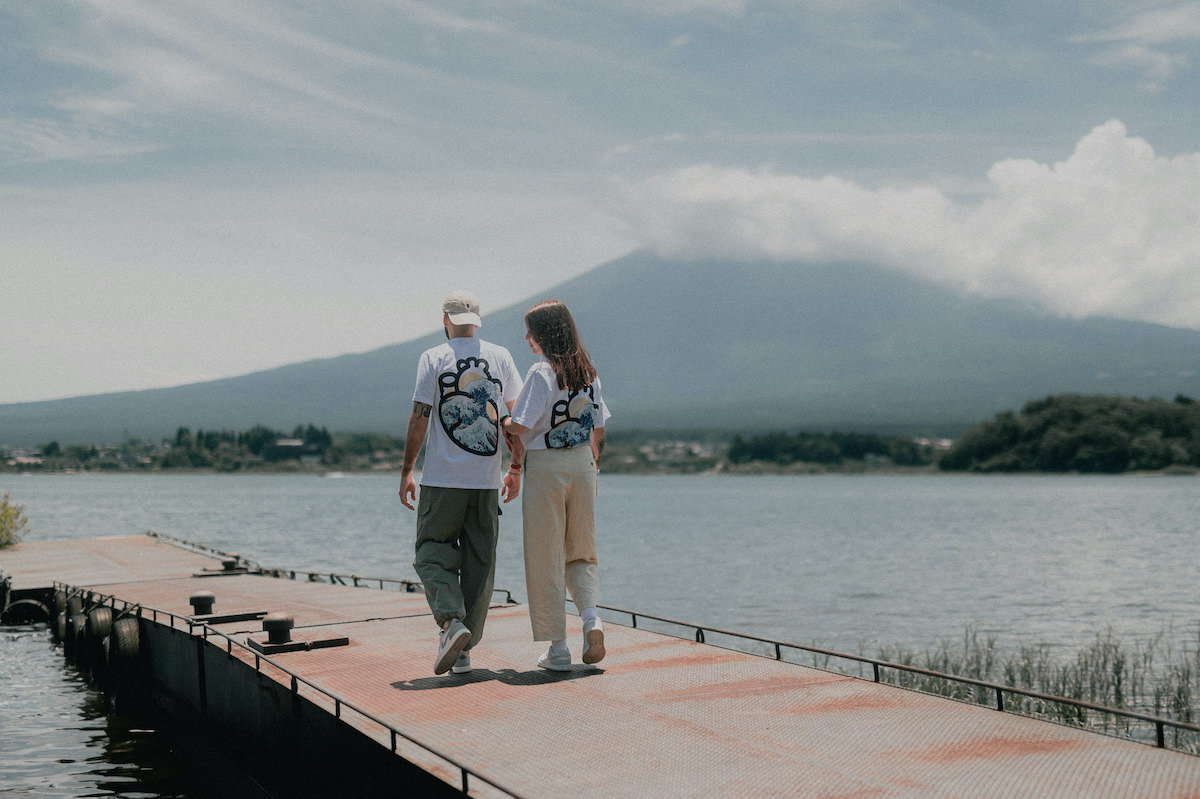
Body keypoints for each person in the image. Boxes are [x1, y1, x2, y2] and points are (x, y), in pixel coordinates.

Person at [400, 291, 523, 676]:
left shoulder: (433, 357)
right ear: (478, 320)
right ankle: (465, 651)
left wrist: (406, 470)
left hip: (442, 480)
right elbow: (514, 419)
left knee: (431, 551)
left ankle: (452, 623)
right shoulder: (501, 356)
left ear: (445, 320)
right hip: (486, 484)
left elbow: (420, 417)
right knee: (479, 564)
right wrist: (516, 466)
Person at [501, 300, 610, 671]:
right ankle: (592, 618)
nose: (527, 338)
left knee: (545, 554)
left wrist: (504, 421)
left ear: (544, 334)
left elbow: (522, 424)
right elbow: (599, 429)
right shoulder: (589, 373)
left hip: (546, 467)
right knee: (581, 550)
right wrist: (593, 469)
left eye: (531, 330)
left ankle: (558, 648)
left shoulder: (541, 373)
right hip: (583, 463)